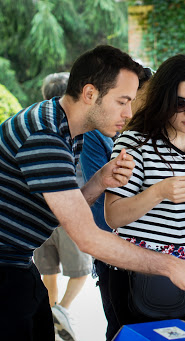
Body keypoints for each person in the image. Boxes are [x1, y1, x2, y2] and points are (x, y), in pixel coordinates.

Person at [0, 45, 185, 341]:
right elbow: (87, 237)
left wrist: (98, 182)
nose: (129, 113)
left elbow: (59, 215)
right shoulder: (44, 136)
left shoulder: (65, 130)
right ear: (90, 94)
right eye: (122, 101)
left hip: (19, 264)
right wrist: (170, 264)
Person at [104, 54, 185, 326]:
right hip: (137, 275)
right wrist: (158, 192)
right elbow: (113, 216)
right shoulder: (134, 144)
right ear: (164, 102)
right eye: (180, 104)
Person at [79, 66, 154, 341]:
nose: (132, 110)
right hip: (113, 250)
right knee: (123, 329)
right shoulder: (97, 135)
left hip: (155, 252)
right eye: (127, 101)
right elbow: (104, 206)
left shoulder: (160, 136)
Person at [33, 72, 92, 341]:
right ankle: (61, 311)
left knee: (48, 274)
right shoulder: (72, 134)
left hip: (40, 217)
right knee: (81, 272)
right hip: (67, 217)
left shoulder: (38, 124)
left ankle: (51, 316)